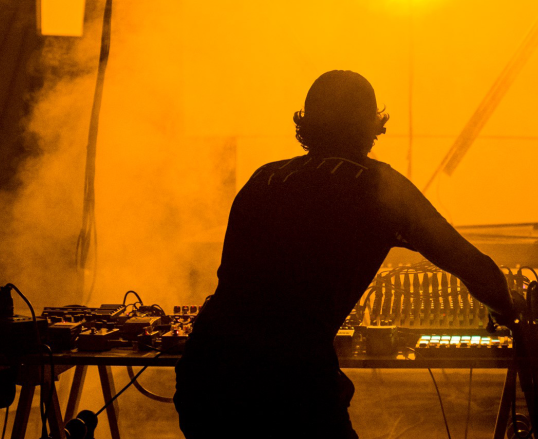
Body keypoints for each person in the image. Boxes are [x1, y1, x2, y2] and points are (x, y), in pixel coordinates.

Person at [174, 70, 516, 438]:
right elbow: (474, 267)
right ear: (373, 126)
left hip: (207, 373)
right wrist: (512, 315)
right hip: (289, 383)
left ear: (306, 124)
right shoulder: (378, 187)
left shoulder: (265, 178)